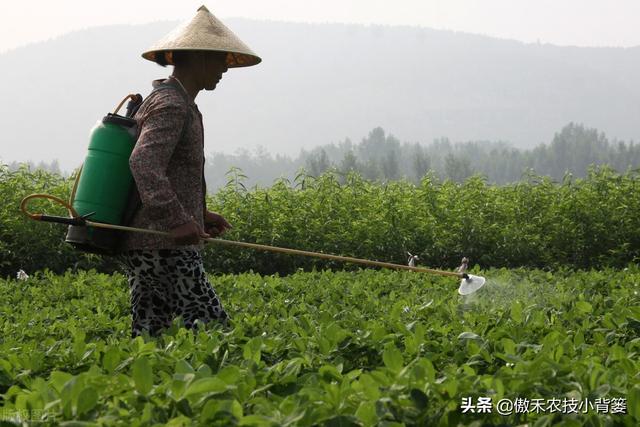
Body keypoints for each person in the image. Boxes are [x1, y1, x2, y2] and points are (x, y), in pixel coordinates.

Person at [119, 6, 261, 338]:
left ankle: (148, 388)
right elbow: (144, 163)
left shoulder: (176, 102)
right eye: (220, 59)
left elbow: (166, 170)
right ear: (197, 57)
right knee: (212, 329)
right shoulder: (172, 104)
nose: (225, 68)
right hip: (163, 244)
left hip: (149, 242)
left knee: (152, 333)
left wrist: (198, 213)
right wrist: (176, 220)